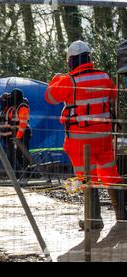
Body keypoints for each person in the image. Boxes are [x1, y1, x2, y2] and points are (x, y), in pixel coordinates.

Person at [46, 40, 126, 229]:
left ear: (71, 60)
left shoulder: (68, 81)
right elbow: (113, 97)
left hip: (79, 141)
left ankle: (93, 219)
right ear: (89, 57)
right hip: (104, 137)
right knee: (110, 173)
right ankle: (122, 214)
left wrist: (56, 79)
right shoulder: (104, 77)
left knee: (86, 178)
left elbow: (49, 97)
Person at [4, 88, 32, 179]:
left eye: (12, 97)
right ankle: (24, 174)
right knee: (19, 155)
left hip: (23, 134)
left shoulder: (22, 107)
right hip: (20, 134)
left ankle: (28, 175)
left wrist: (17, 137)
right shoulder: (18, 106)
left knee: (23, 155)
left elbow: (23, 124)